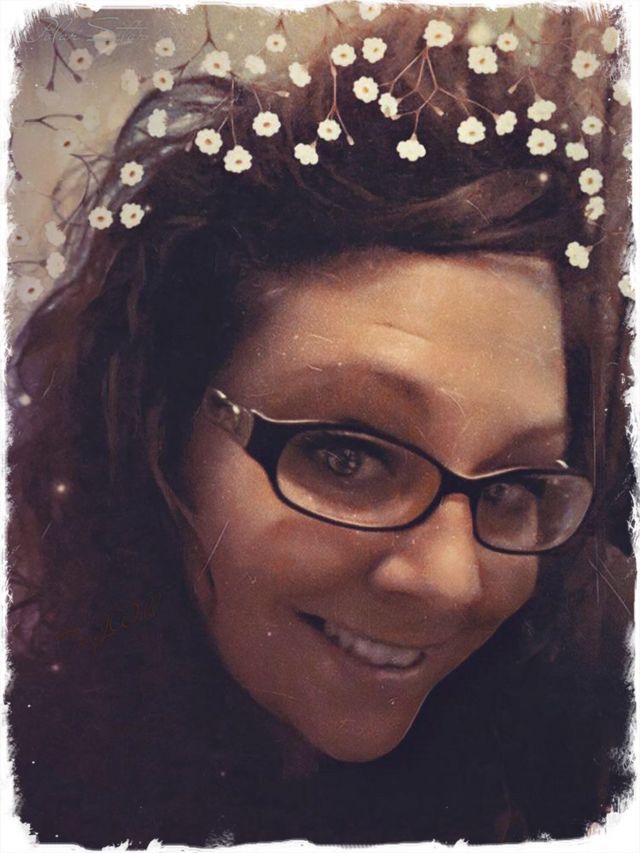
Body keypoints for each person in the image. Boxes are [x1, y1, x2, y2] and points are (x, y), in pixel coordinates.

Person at [7, 5, 634, 847]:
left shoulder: (577, 774)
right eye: (348, 457)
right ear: (160, 429)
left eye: (514, 486)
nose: (452, 581)